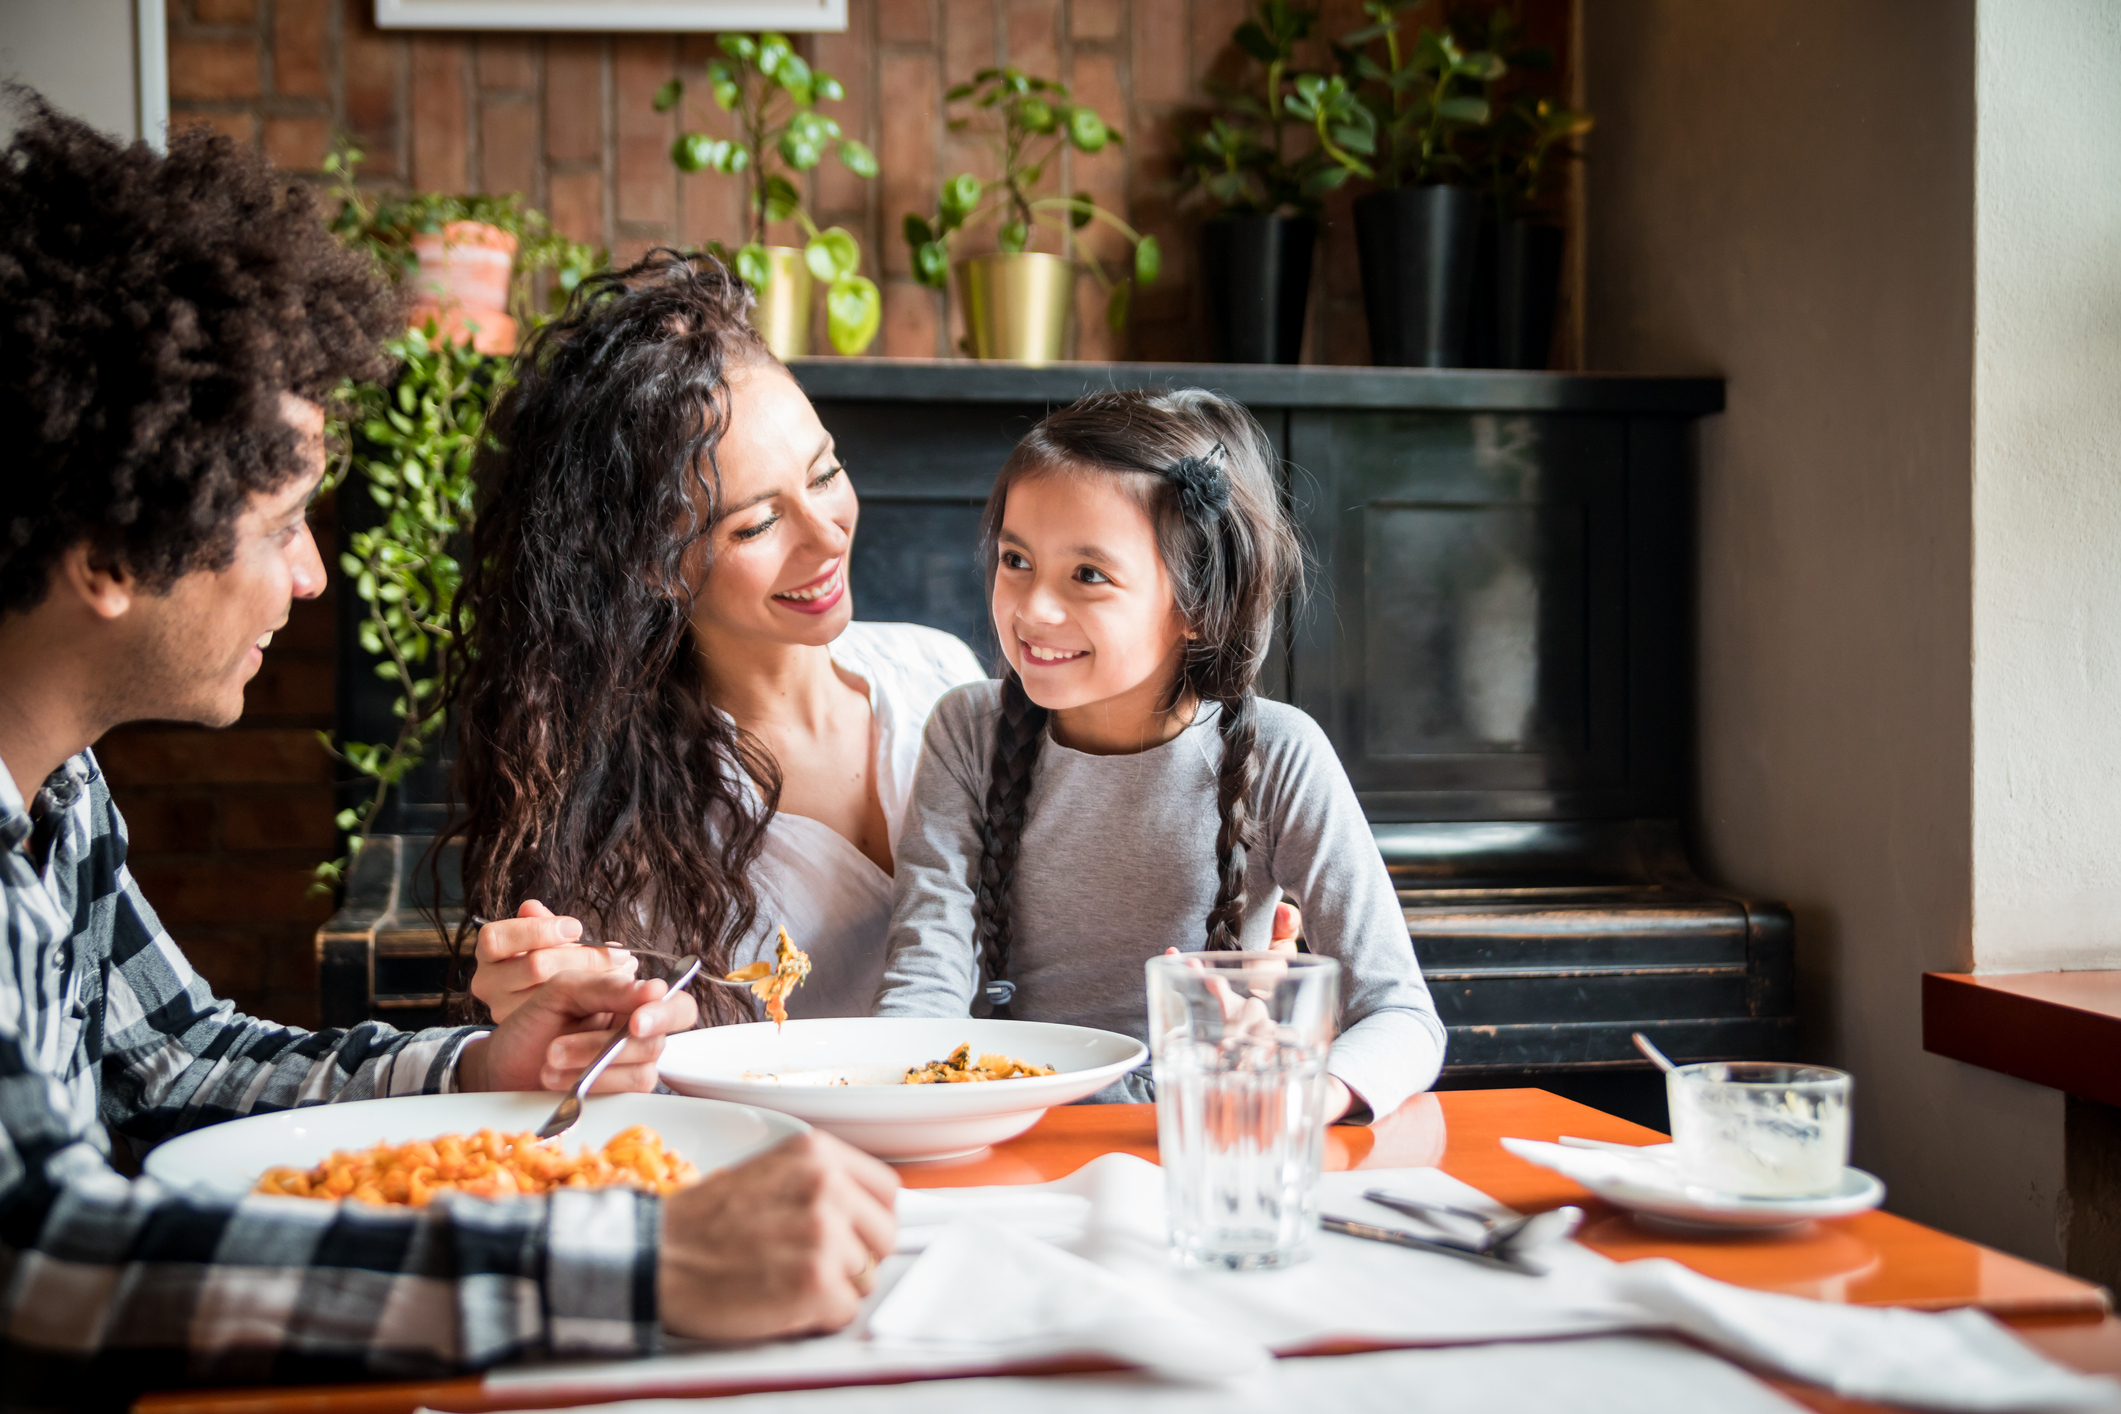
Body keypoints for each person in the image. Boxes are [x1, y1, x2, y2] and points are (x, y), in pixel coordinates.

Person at [0, 101, 895, 1403]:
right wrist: (634, 1262)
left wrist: (478, 1066)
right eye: (286, 526)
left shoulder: (58, 789)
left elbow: (171, 1061)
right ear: (106, 560)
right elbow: (40, 1253)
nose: (310, 579)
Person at [873, 389, 1447, 1121]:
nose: (1032, 608)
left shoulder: (1279, 752)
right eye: (1016, 559)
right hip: (999, 1120)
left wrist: (1299, 1091)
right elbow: (924, 978)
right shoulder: (965, 730)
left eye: (1088, 575)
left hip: (1189, 1131)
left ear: (1196, 606)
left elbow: (1399, 1014)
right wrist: (889, 1106)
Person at [450, 251, 985, 1023]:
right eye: (758, 523)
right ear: (654, 565)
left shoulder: (941, 672)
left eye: (825, 472)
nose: (824, 537)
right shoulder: (633, 814)